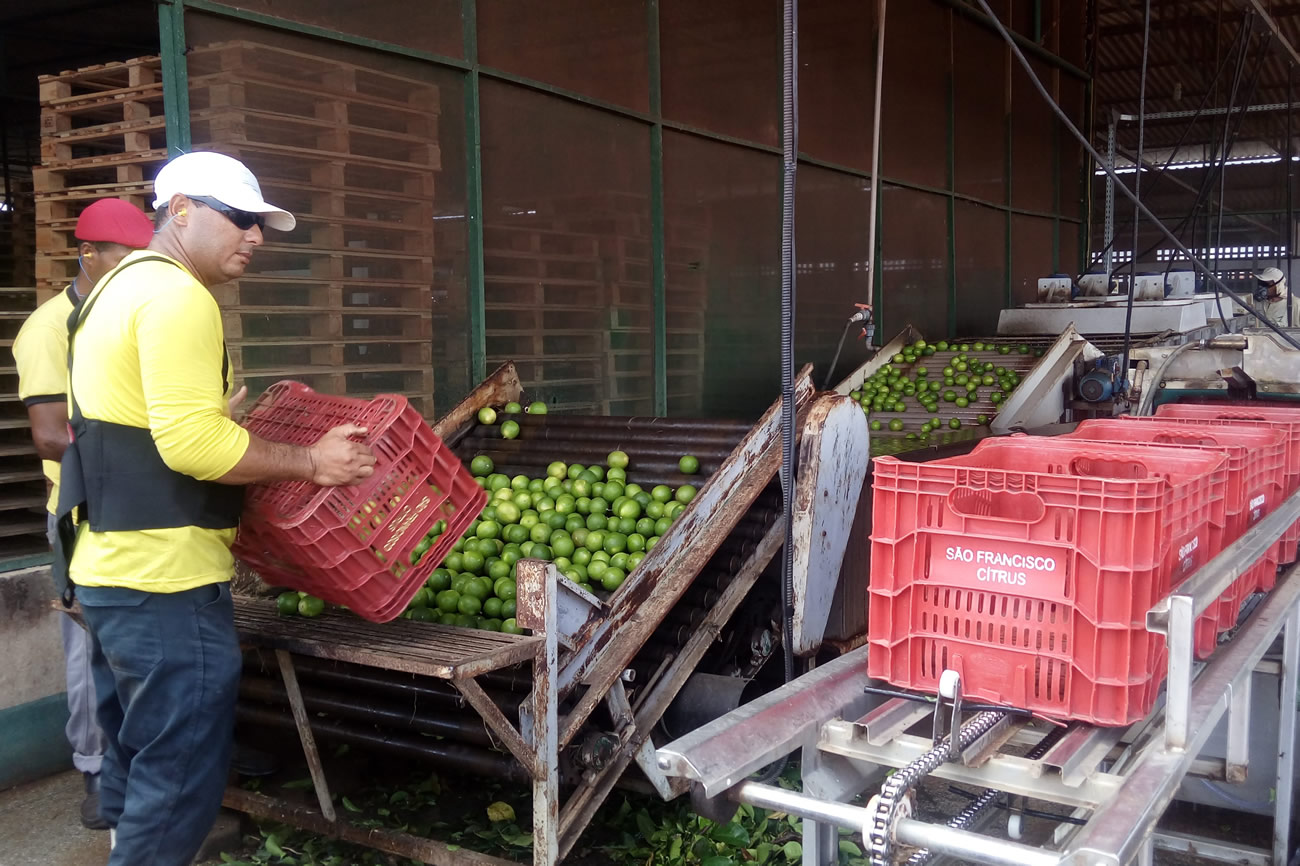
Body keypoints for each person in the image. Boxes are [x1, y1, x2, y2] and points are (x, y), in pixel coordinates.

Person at [56, 150, 377, 866]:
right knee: (178, 782)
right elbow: (193, 448)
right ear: (180, 212)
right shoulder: (178, 297)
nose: (255, 236)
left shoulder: (116, 288)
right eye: (238, 219)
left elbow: (130, 421)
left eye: (261, 224)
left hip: (110, 568)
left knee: (137, 755)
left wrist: (210, 419)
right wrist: (311, 462)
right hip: (164, 581)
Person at [12, 197, 154, 830]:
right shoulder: (49, 328)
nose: (132, 271)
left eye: (140, 260)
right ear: (86, 254)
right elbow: (48, 435)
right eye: (119, 259)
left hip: (147, 503)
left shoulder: (137, 312)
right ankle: (95, 770)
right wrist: (145, 454)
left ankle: (149, 762)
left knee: (147, 644)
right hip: (82, 510)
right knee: (90, 648)